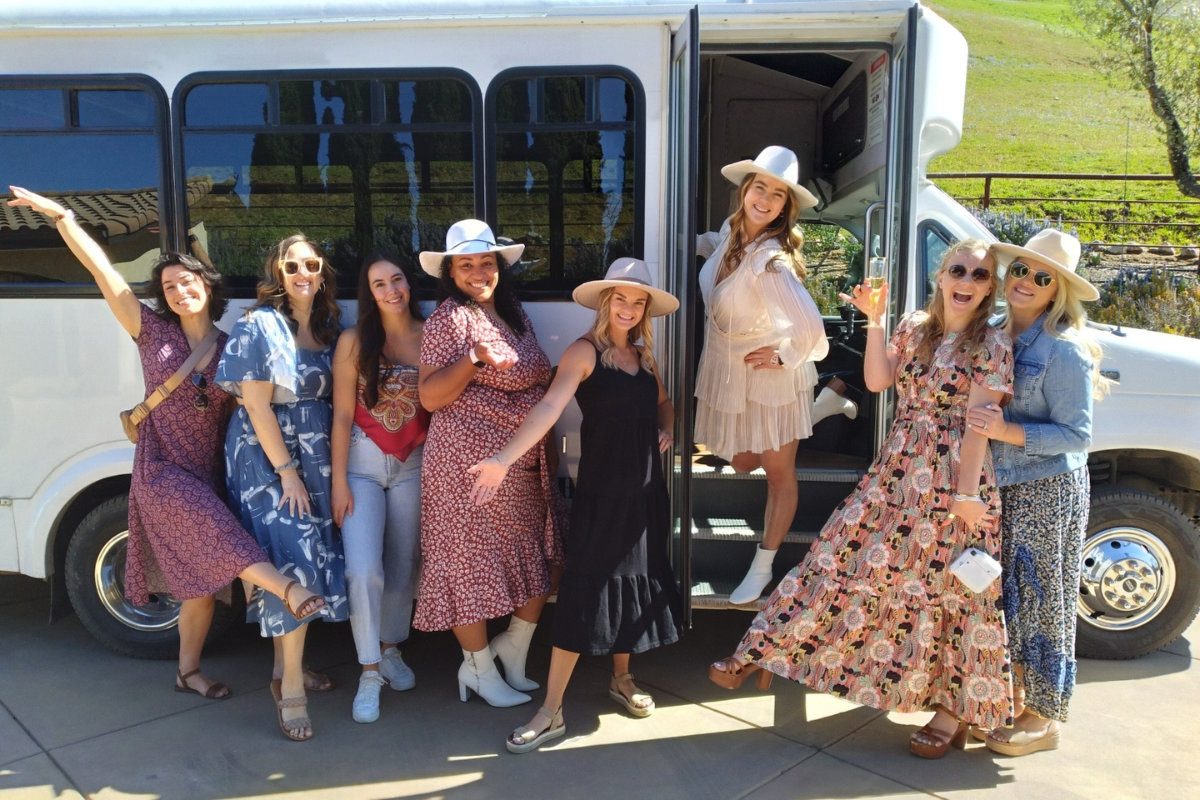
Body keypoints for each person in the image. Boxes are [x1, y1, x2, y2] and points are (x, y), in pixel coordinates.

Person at [5, 187, 328, 703]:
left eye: (187, 281)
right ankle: (291, 589)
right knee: (224, 541)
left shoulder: (232, 344)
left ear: (206, 284)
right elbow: (102, 274)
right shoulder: (149, 330)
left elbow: (255, 409)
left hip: (209, 473)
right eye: (169, 286)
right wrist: (63, 216)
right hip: (160, 469)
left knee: (200, 590)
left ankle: (187, 672)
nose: (179, 292)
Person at [709, 238, 1015, 759]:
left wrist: (966, 495)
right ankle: (762, 649)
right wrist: (875, 320)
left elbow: (978, 428)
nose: (966, 282)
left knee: (954, 593)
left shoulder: (992, 345)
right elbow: (877, 380)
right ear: (941, 275)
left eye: (980, 276)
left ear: (990, 288)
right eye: (958, 270)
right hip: (896, 469)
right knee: (837, 557)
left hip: (952, 479)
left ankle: (952, 713)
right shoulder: (916, 327)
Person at [467, 257, 686, 753]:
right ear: (605, 303)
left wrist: (667, 428)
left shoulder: (645, 356)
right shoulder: (584, 352)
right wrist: (503, 459)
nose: (628, 308)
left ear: (645, 309)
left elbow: (665, 402)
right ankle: (551, 710)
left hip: (646, 492)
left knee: (634, 581)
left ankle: (621, 678)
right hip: (602, 494)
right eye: (620, 298)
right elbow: (548, 407)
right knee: (583, 592)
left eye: (637, 301)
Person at [966, 229, 1105, 757]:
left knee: (1047, 601)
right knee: (1008, 598)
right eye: (1020, 270)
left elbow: (1078, 436)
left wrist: (1006, 432)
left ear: (1057, 291)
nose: (1026, 281)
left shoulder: (1064, 351)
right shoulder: (994, 333)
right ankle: (1016, 700)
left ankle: (1044, 719)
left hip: (1048, 490)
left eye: (1042, 277)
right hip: (1003, 487)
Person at [415, 219, 564, 708]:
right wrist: (475, 359)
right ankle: (477, 669)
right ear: (451, 273)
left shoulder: (512, 312)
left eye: (486, 262)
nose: (479, 271)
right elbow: (431, 396)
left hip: (517, 464)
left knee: (530, 559)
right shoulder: (449, 320)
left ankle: (513, 651)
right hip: (467, 465)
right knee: (467, 567)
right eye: (467, 264)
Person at [215, 234, 349, 742]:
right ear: (276, 271)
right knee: (291, 561)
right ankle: (290, 685)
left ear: (321, 272)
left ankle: (284, 668)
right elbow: (255, 404)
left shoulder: (326, 328)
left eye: (311, 264)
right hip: (266, 457)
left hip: (312, 460)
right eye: (291, 265)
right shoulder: (256, 327)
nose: (302, 272)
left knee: (302, 559)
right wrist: (287, 472)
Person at [693, 145, 832, 606]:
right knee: (739, 460)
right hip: (730, 371)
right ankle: (825, 405)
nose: (766, 199)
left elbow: (813, 330)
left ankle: (762, 566)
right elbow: (714, 251)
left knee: (777, 475)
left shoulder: (771, 260)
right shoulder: (730, 236)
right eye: (760, 188)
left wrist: (784, 357)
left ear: (785, 208)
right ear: (745, 190)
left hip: (769, 379)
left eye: (778, 195)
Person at [331, 254, 428, 724]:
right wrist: (336, 482)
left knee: (403, 564)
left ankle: (391, 649)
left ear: (409, 284)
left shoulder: (432, 336)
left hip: (415, 465)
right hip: (361, 470)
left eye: (396, 280)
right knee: (364, 569)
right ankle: (368, 670)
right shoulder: (353, 341)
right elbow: (343, 415)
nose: (390, 290)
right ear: (368, 293)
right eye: (378, 284)